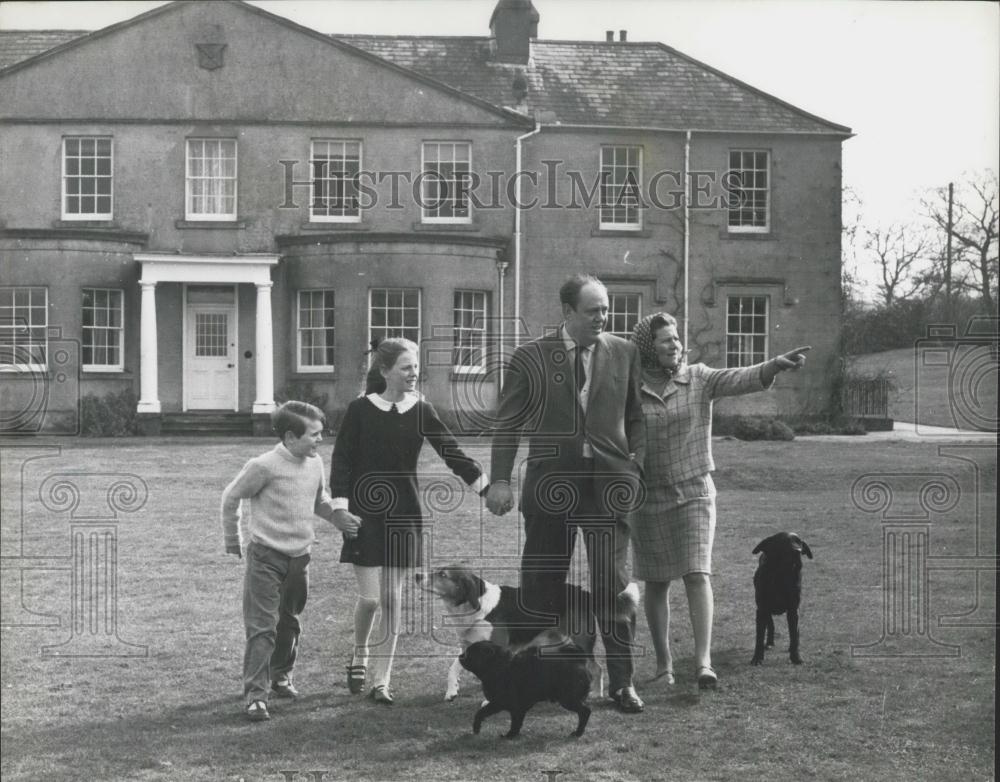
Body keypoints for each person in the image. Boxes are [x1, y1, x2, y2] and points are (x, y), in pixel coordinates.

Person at [486, 273, 647, 714]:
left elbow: (637, 417)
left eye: (606, 309)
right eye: (593, 310)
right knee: (541, 585)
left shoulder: (624, 352)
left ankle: (622, 684)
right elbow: (508, 422)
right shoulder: (531, 357)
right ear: (567, 312)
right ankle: (529, 675)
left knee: (611, 587)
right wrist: (499, 479)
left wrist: (636, 465)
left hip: (608, 489)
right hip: (551, 487)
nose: (602, 318)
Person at [629, 311, 809, 689]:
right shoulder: (631, 386)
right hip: (648, 497)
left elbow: (738, 378)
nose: (675, 344)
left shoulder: (697, 377)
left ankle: (703, 664)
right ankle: (664, 666)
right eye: (665, 339)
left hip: (694, 491)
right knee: (657, 582)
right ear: (647, 346)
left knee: (697, 573)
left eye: (677, 337)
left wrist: (773, 365)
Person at [331, 337, 487, 705]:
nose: (413, 373)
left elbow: (452, 452)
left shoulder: (421, 410)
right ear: (385, 371)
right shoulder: (359, 410)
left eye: (416, 367)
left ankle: (381, 681)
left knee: (392, 598)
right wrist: (340, 508)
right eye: (406, 367)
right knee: (371, 599)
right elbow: (341, 460)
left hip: (404, 514)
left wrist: (484, 487)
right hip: (363, 514)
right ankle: (360, 652)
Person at [222, 401, 360, 722]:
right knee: (262, 628)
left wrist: (338, 517)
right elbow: (231, 497)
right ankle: (256, 696)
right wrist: (232, 538)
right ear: (289, 437)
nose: (320, 439)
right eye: (314, 434)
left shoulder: (315, 463)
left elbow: (319, 500)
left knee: (289, 622)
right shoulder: (263, 466)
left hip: (300, 559)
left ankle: (281, 677)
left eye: (321, 433)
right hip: (265, 558)